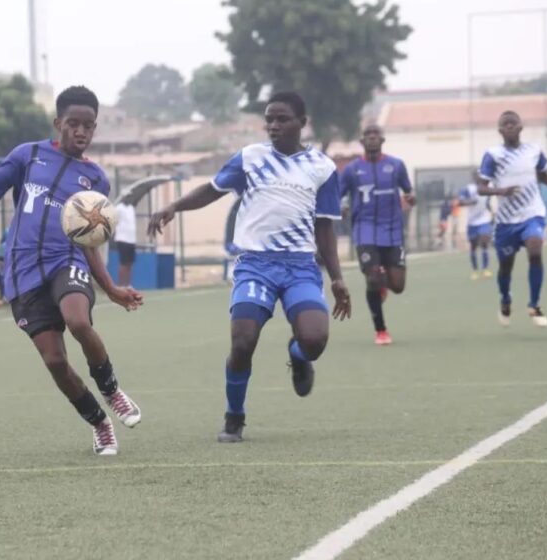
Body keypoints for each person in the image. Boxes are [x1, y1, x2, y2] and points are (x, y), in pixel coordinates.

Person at [0, 86, 143, 456]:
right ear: (58, 123)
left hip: (64, 261)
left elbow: (89, 241)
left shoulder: (96, 180)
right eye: (73, 124)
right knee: (55, 361)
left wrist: (111, 288)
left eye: (88, 126)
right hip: (22, 272)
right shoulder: (28, 156)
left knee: (79, 322)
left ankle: (112, 390)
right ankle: (99, 423)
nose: (80, 132)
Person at [148, 91, 351, 443]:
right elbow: (212, 190)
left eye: (282, 118)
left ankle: (298, 356)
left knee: (315, 340)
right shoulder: (250, 158)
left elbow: (325, 227)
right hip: (254, 265)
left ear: (302, 123)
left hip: (300, 266)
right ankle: (234, 418)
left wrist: (337, 278)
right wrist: (174, 207)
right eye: (269, 118)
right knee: (243, 342)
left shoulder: (322, 168)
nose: (273, 125)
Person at [477, 110, 547, 327]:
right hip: (506, 222)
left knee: (535, 251)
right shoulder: (493, 155)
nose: (510, 126)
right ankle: (505, 299)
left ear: (521, 126)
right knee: (506, 267)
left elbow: (543, 176)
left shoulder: (533, 151)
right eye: (505, 124)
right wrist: (500, 191)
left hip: (532, 214)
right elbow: (481, 188)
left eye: (513, 123)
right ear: (500, 130)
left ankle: (534, 305)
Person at [339, 124, 415, 346]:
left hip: (392, 231)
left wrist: (411, 198)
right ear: (362, 142)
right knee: (372, 277)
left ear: (382, 140)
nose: (372, 139)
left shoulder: (396, 165)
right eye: (367, 136)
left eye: (376, 135)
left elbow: (408, 191)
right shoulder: (352, 170)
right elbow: (339, 194)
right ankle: (380, 330)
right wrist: (342, 206)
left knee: (398, 286)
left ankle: (384, 285)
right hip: (365, 230)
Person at [458, 172, 493, 279]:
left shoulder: (487, 188)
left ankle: (485, 269)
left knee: (484, 241)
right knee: (473, 246)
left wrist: (492, 213)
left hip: (484, 219)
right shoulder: (469, 189)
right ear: (474, 178)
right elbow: (460, 202)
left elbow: (487, 202)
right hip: (472, 222)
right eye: (478, 176)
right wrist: (470, 202)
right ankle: (475, 270)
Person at [113, 197, 137, 288]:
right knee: (123, 263)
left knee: (130, 263)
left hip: (132, 240)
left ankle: (128, 284)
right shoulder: (118, 208)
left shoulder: (131, 208)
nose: (129, 199)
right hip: (122, 239)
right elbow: (114, 221)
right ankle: (121, 284)